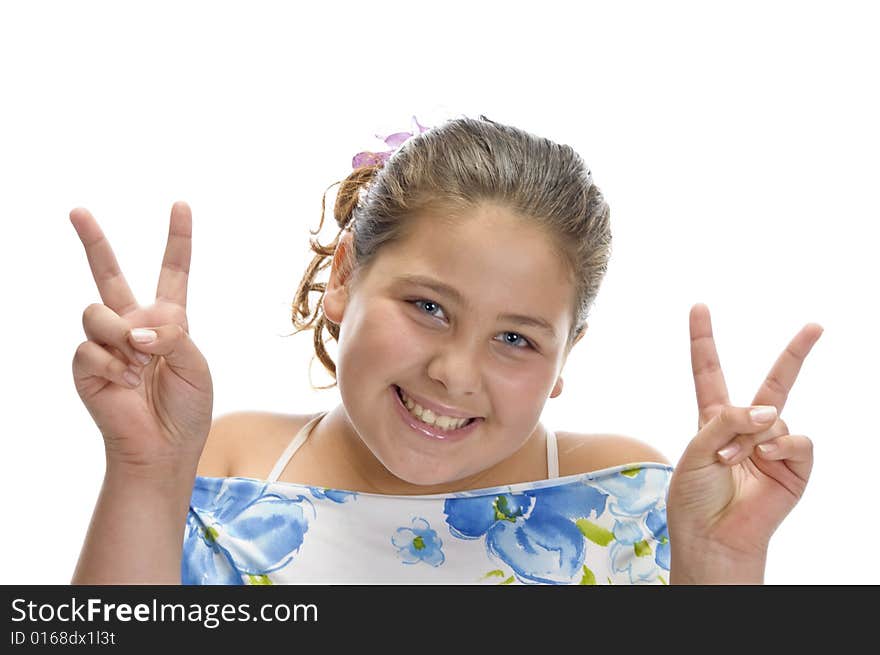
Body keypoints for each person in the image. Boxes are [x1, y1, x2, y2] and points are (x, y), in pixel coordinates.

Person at [69, 114, 822, 585]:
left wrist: (721, 569)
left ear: (565, 359)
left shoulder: (628, 502)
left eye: (515, 339)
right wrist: (145, 472)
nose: (454, 372)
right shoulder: (221, 466)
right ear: (345, 277)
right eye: (428, 307)